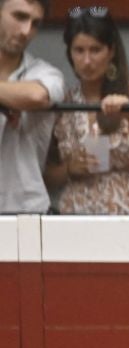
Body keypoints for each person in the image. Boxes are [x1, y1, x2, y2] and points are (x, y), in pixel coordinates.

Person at [43, 7, 129, 215]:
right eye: (79, 50)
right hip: (76, 216)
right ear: (69, 53)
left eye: (95, 50)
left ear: (111, 51)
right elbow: (41, 177)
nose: (87, 61)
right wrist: (68, 169)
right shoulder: (63, 103)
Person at [0, 0, 62, 214]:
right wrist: (9, 98)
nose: (26, 31)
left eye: (35, 23)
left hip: (25, 209)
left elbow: (36, 96)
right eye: (19, 17)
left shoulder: (45, 73)